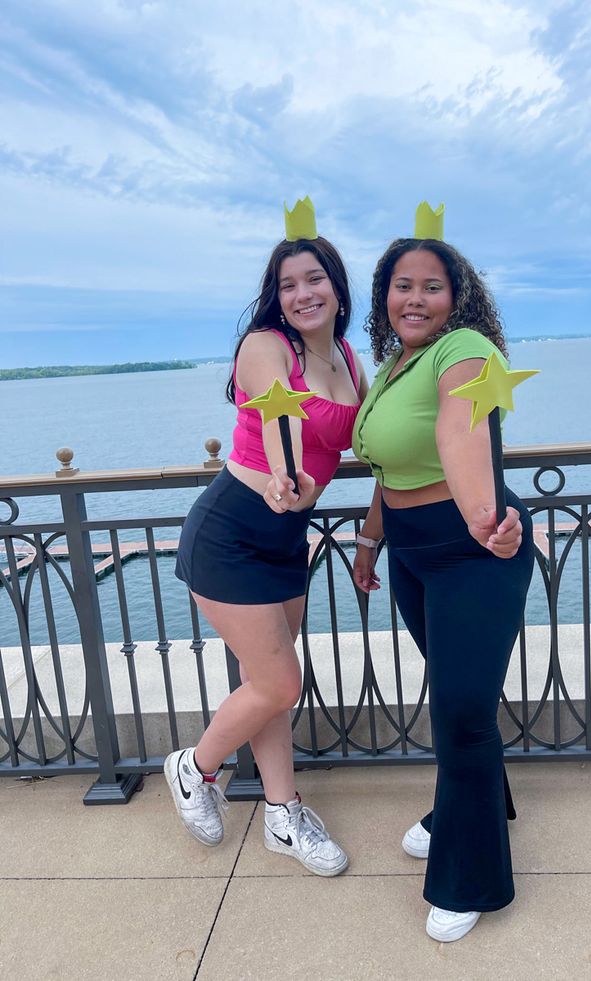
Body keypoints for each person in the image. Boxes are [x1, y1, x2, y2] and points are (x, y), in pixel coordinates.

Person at [167, 199, 368, 877]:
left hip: (286, 540)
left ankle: (282, 815)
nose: (302, 293)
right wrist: (287, 481)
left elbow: (353, 439)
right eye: (288, 284)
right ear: (275, 297)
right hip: (230, 533)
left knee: (269, 683)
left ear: (337, 287)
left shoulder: (349, 359)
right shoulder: (264, 347)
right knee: (281, 680)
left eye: (314, 279)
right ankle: (195, 768)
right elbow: (280, 419)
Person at [351, 208, 534, 941]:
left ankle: (472, 879)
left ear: (456, 296)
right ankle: (472, 799)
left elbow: (460, 429)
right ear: (385, 297)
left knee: (459, 709)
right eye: (403, 286)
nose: (416, 298)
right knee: (464, 702)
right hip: (411, 549)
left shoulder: (464, 350)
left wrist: (487, 518)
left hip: (473, 547)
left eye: (432, 285)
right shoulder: (394, 364)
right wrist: (369, 542)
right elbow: (391, 467)